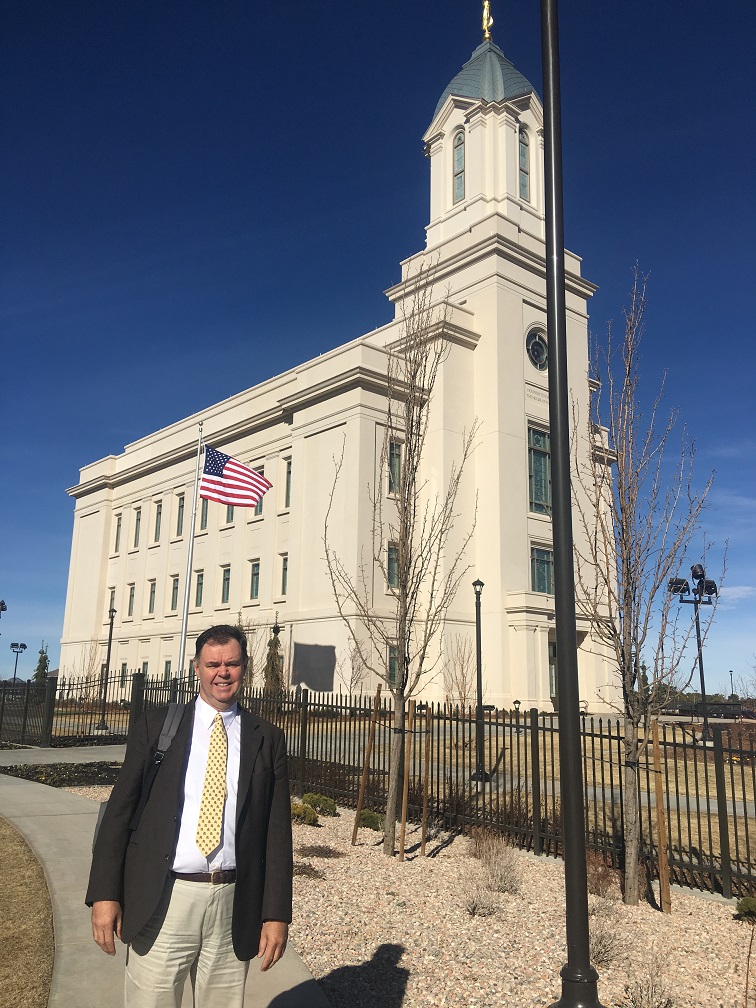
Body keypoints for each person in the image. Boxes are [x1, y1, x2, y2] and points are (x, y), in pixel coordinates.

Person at [86, 624, 293, 1007]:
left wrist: (277, 914)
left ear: (244, 667)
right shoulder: (158, 725)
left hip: (233, 903)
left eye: (231, 663)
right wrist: (104, 895)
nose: (223, 673)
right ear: (197, 667)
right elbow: (119, 812)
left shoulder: (267, 738)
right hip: (165, 899)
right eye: (213, 664)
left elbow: (277, 835)